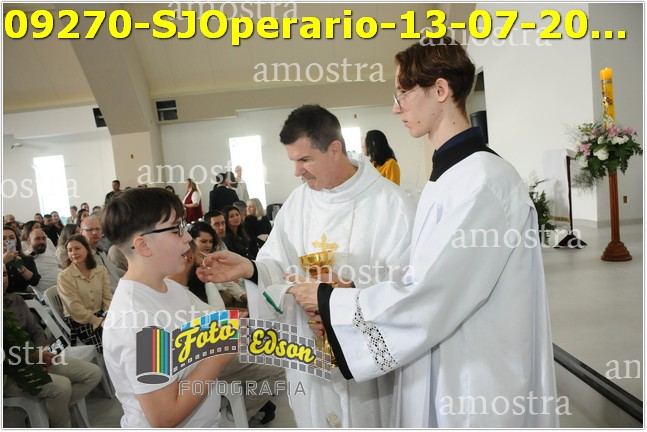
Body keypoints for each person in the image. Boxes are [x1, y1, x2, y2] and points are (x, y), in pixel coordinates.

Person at [288, 38, 558, 428]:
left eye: (402, 93)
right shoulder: (451, 175)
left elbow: (433, 292)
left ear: (441, 90)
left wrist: (331, 301)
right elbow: (429, 273)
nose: (396, 107)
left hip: (475, 376)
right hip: (447, 357)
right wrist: (352, 291)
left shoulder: (482, 181)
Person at [198, 104, 415, 428]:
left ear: (335, 149)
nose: (297, 172)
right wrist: (250, 269)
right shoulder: (298, 204)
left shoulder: (392, 205)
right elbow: (276, 263)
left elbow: (410, 289)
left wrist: (344, 294)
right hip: (311, 355)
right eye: (293, 161)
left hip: (368, 368)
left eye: (304, 160)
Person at [101, 187, 236, 427]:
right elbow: (165, 415)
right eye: (176, 229)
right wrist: (218, 356)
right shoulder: (139, 319)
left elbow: (215, 321)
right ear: (144, 245)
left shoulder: (169, 288)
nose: (187, 238)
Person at [3, 263, 103, 427]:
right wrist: (33, 356)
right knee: (62, 387)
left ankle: (51, 415)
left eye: (4, 274)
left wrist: (42, 351)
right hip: (12, 372)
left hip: (37, 358)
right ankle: (61, 423)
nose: (3, 279)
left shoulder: (15, 300)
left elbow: (36, 330)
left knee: (93, 373)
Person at [58, 235, 112, 353]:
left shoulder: (100, 270)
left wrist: (108, 315)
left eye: (77, 248)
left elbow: (107, 297)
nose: (73, 253)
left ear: (87, 249)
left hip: (102, 314)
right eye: (70, 250)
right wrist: (98, 321)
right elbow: (74, 308)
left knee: (126, 332)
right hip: (80, 321)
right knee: (108, 344)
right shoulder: (64, 277)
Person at [80, 215, 123, 290]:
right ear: (81, 233)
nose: (95, 232)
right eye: (90, 230)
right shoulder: (82, 257)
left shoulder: (100, 252)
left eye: (97, 229)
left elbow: (113, 270)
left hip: (121, 289)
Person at [3, 225, 40, 294]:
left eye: (11, 238)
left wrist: (22, 268)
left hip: (22, 297)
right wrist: (3, 262)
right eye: (3, 238)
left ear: (16, 241)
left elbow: (34, 282)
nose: (8, 241)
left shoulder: (26, 259)